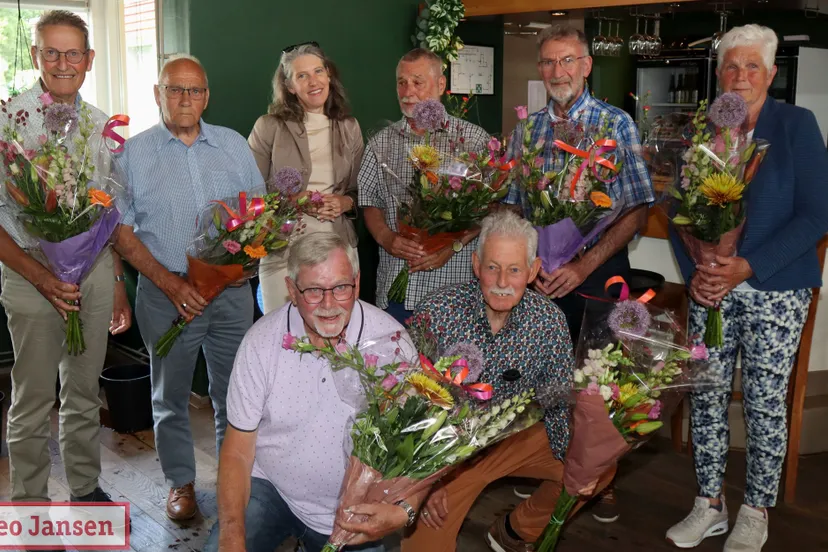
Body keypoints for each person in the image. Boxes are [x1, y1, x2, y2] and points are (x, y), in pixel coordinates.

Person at [665, 25, 828, 552]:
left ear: (771, 73)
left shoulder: (796, 124)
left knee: (763, 402)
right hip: (713, 290)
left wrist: (748, 265)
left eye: (751, 66)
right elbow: (675, 210)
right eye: (731, 67)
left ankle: (756, 509)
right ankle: (709, 503)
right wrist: (698, 271)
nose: (740, 76)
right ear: (719, 75)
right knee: (707, 394)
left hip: (777, 288)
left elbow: (817, 214)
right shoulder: (703, 129)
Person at [503, 23, 654, 523]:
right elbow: (514, 207)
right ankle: (551, 470)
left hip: (598, 275)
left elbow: (636, 210)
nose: (557, 71)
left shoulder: (617, 125)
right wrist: (535, 260)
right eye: (548, 62)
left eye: (567, 60)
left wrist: (582, 263)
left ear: (586, 66)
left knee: (597, 384)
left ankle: (598, 479)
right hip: (541, 278)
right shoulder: (526, 131)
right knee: (546, 380)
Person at [401, 211, 613, 552]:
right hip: (447, 456)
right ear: (475, 265)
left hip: (512, 439)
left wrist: (575, 462)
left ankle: (514, 531)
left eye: (514, 269)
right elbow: (408, 405)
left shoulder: (548, 321)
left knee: (596, 468)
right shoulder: (437, 312)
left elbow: (557, 403)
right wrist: (425, 481)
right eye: (492, 267)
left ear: (532, 271)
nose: (502, 280)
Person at [114, 54, 264, 521]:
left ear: (207, 97)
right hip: (165, 294)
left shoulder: (234, 145)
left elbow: (258, 213)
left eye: (195, 90)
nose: (185, 99)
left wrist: (234, 267)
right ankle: (180, 483)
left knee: (235, 394)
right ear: (157, 94)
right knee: (170, 396)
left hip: (231, 294)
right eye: (174, 89)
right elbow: (120, 231)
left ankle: (232, 481)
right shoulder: (132, 154)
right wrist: (170, 283)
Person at [206, 233, 420, 552]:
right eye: (314, 291)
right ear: (292, 290)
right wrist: (232, 537)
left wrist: (405, 511)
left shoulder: (393, 342)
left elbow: (417, 448)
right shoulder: (260, 343)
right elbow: (237, 451)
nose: (330, 304)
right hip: (272, 489)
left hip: (359, 507)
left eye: (340, 287)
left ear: (357, 283)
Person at [0, 10, 131, 504]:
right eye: (50, 52)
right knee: (33, 397)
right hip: (27, 269)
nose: (61, 62)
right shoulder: (7, 122)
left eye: (72, 52)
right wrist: (40, 276)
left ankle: (84, 487)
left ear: (89, 59)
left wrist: (116, 281)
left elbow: (106, 213)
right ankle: (30, 500)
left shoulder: (101, 126)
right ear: (35, 55)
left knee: (82, 390)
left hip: (93, 273)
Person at [358, 48, 490, 324]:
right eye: (401, 82)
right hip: (396, 291)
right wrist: (387, 238)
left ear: (441, 85)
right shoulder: (381, 142)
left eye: (418, 82)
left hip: (455, 291)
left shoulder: (473, 140)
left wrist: (451, 245)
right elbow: (369, 201)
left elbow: (490, 207)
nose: (408, 90)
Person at [249, 42, 363, 314]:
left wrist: (344, 203)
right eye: (302, 76)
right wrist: (289, 201)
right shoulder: (268, 127)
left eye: (318, 71)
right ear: (289, 86)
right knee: (282, 331)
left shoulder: (350, 127)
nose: (314, 82)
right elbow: (248, 193)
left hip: (337, 244)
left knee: (336, 331)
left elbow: (361, 193)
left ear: (329, 76)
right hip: (282, 249)